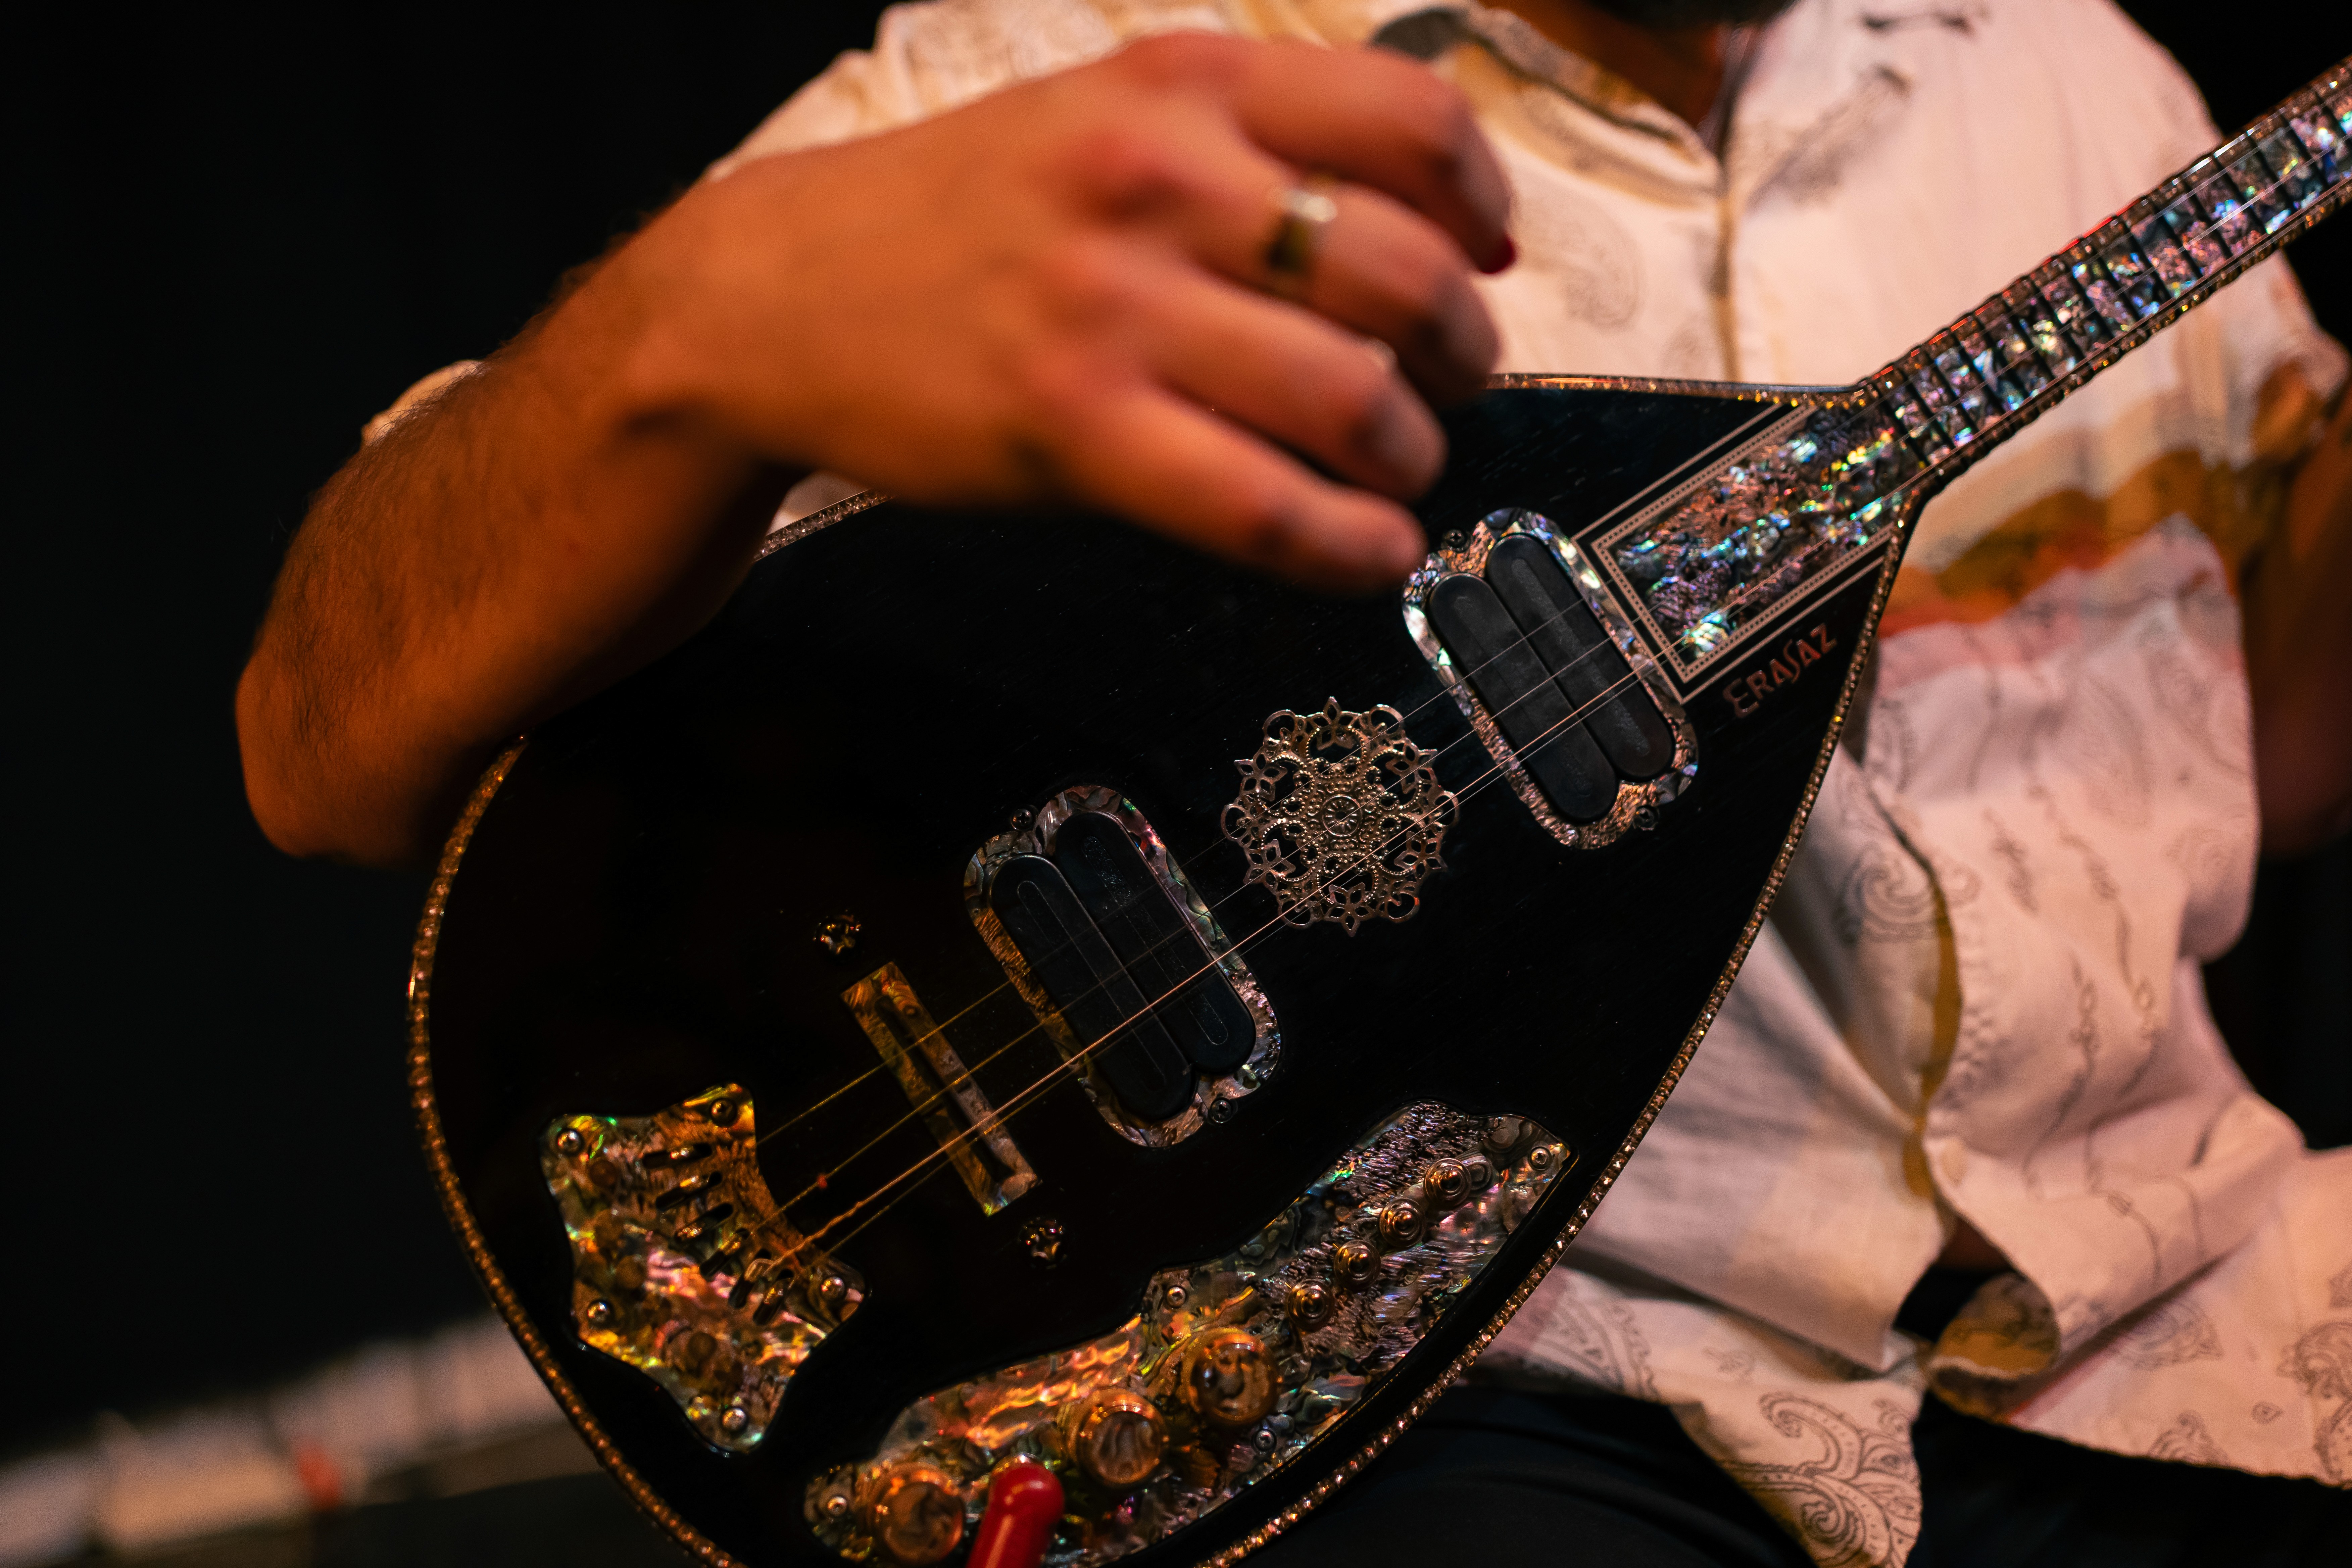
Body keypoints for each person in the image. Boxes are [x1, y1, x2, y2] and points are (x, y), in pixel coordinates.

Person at [236, 1, 2352, 1563]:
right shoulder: (1098, 62)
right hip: (1524, 1397)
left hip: (2192, 1318)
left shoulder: (2093, 83)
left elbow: (2270, 753)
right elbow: (316, 744)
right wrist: (685, 330)